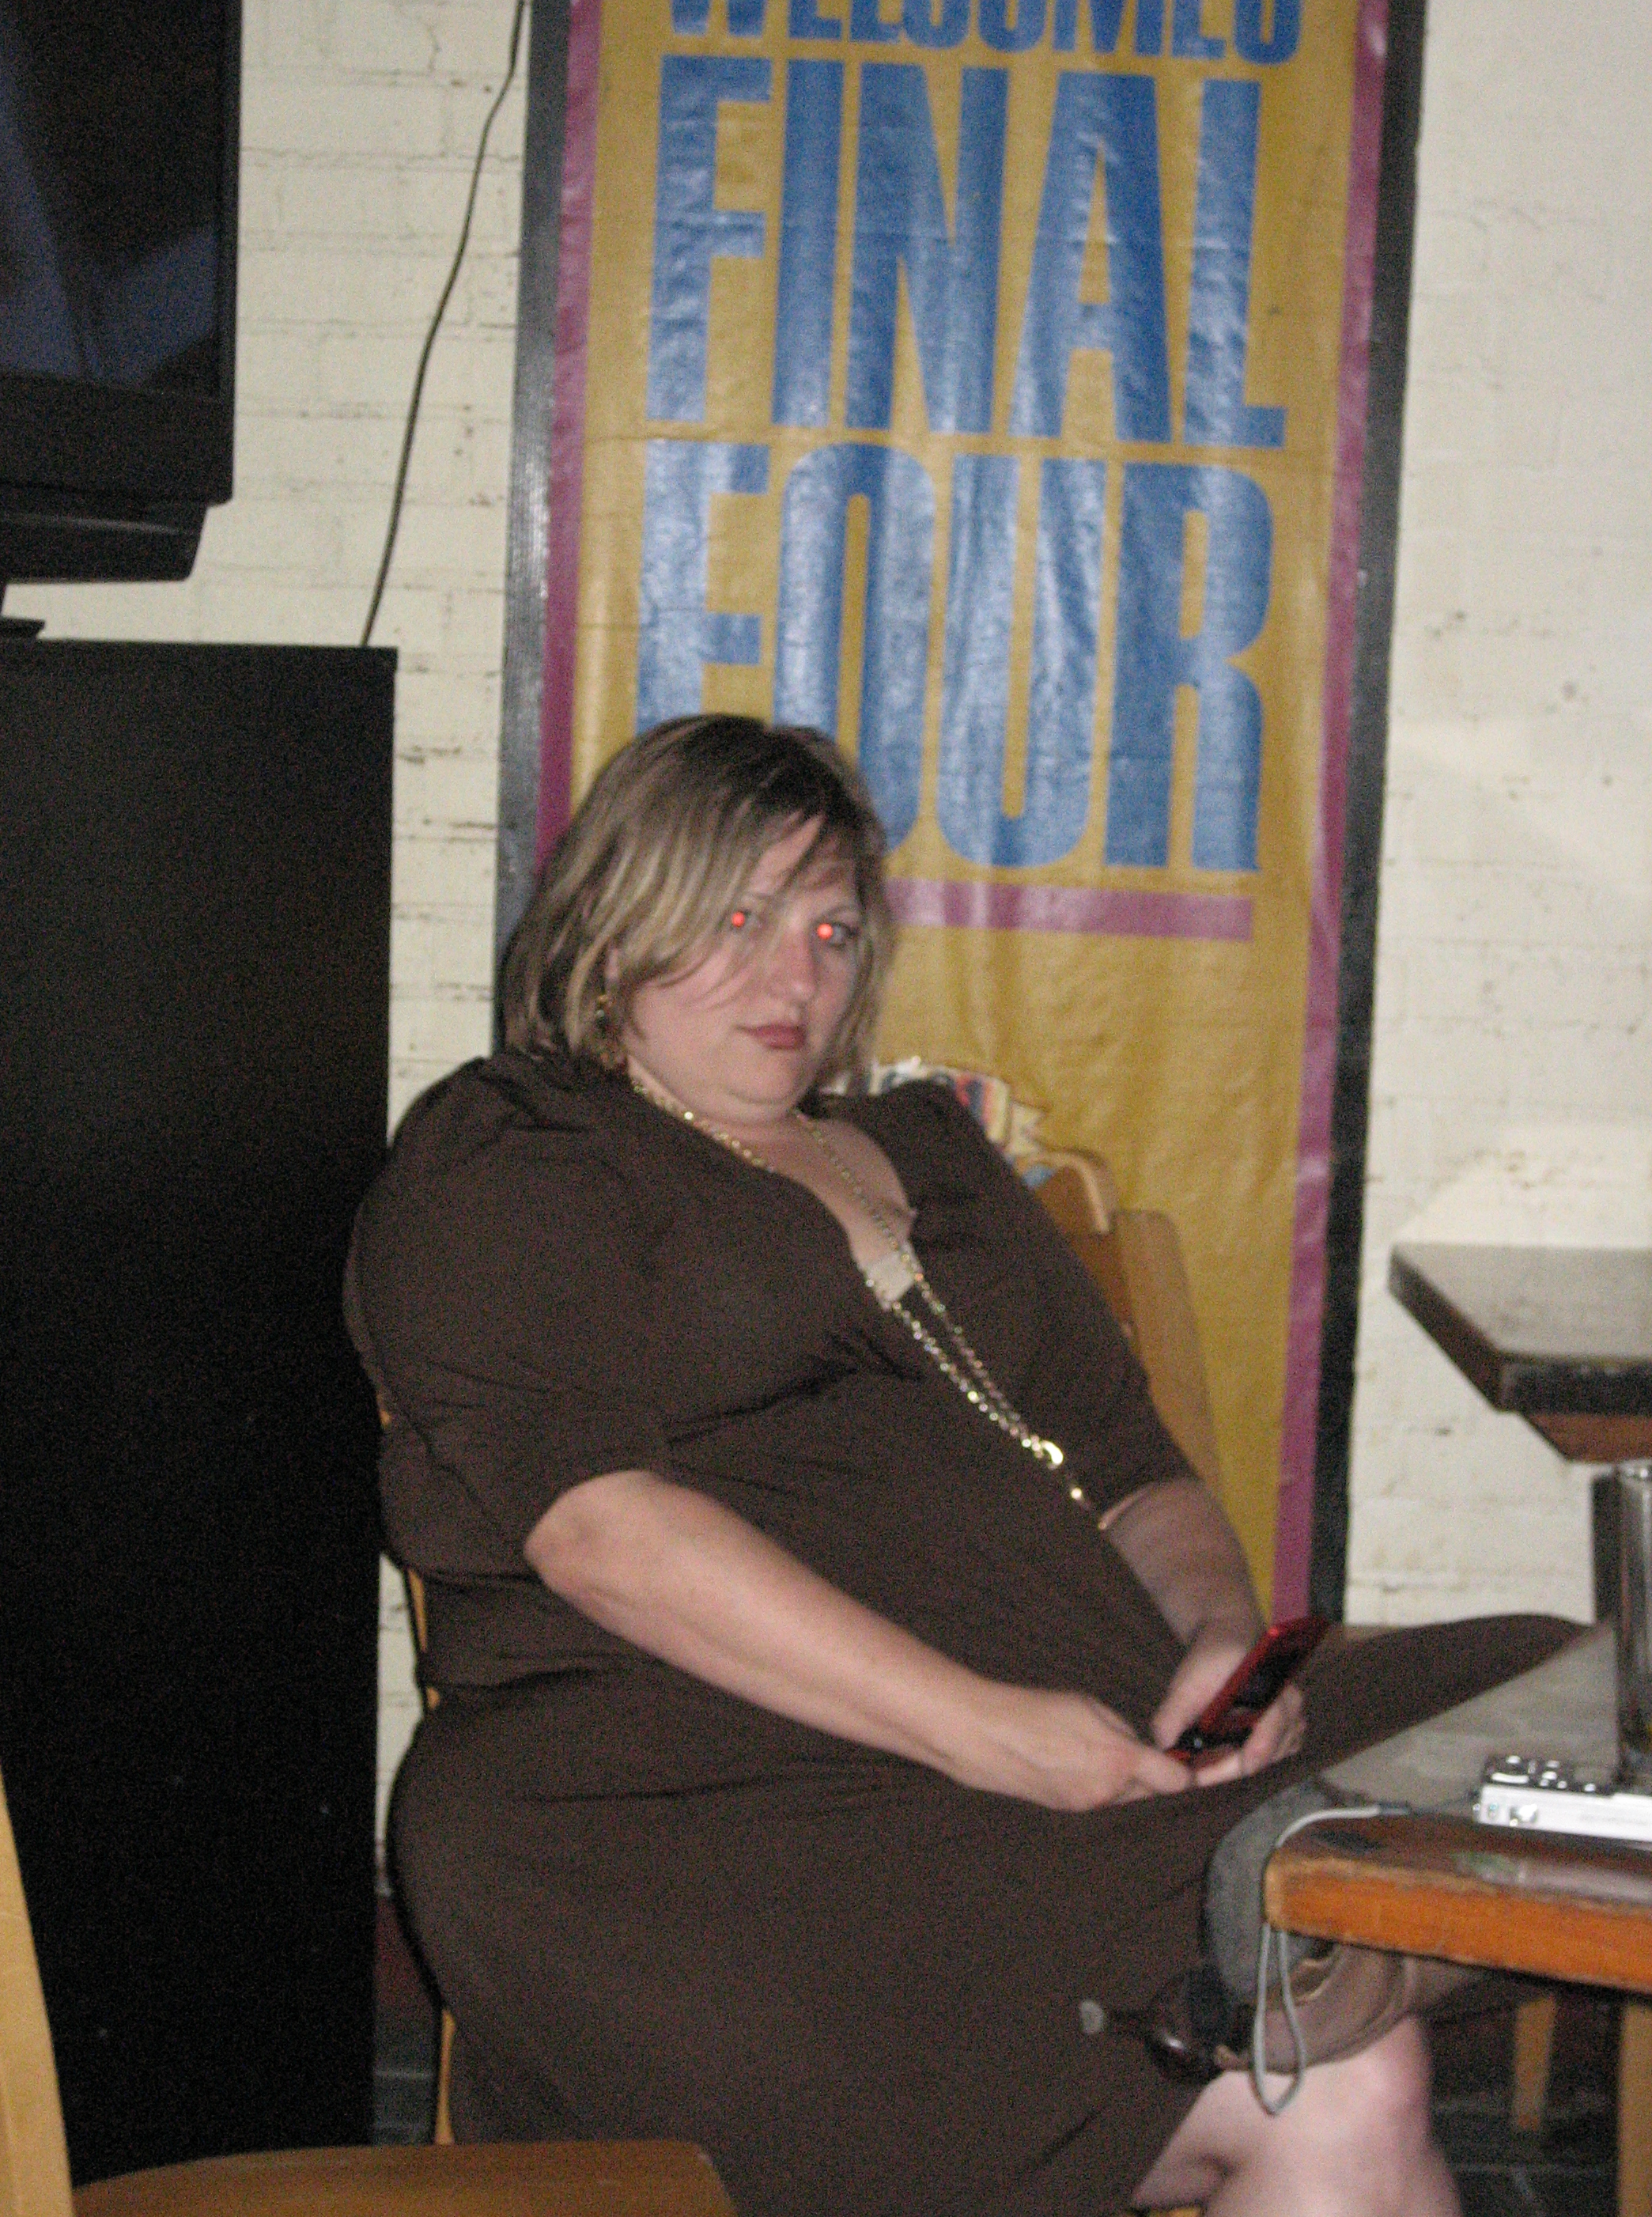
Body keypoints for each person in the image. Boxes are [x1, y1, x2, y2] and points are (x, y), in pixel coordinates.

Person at [346, 715, 1569, 2217]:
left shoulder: (929, 1151)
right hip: (694, 1799)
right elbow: (599, 1531)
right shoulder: (517, 1146)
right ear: (611, 927)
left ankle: (1271, 1934)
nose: (795, 980)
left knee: (1565, 1697)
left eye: (830, 931)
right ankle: (1283, 1936)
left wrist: (1216, 1646)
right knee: (1342, 2076)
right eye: (738, 920)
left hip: (1095, 1749)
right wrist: (989, 1733)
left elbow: (1134, 1471)